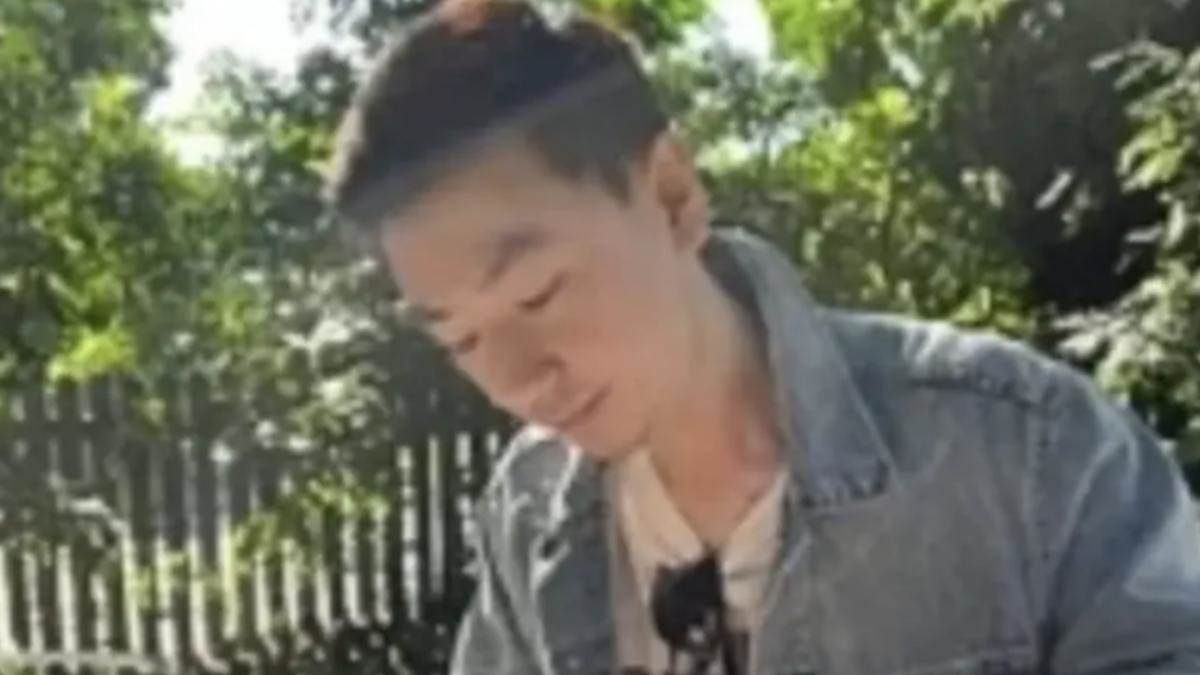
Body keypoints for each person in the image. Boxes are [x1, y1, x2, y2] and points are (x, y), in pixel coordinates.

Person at [323, 1, 1200, 673]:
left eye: (537, 293)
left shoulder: (1025, 454)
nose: (518, 380)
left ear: (670, 194)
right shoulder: (530, 509)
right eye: (461, 340)